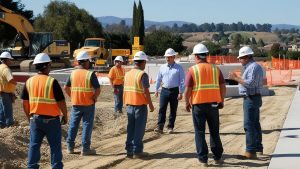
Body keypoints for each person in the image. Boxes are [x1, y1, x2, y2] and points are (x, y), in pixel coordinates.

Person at [21, 53, 68, 169]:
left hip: (35, 119)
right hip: (52, 121)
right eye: (50, 65)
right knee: (55, 147)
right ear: (46, 65)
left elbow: (24, 103)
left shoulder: (29, 82)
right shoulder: (52, 82)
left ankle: (31, 167)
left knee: (34, 145)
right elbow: (61, 102)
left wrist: (29, 117)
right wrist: (65, 115)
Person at [184, 43, 226, 167]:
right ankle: (217, 157)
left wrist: (186, 102)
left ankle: (203, 160)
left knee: (199, 132)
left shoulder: (192, 70)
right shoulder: (216, 69)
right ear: (206, 55)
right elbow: (223, 87)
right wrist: (221, 100)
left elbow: (187, 90)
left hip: (198, 106)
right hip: (213, 105)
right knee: (214, 131)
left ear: (196, 56)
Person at [228, 46, 264, 159]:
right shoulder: (252, 66)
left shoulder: (253, 67)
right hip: (253, 97)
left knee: (249, 125)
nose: (239, 60)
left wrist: (236, 78)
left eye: (241, 58)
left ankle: (250, 151)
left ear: (248, 57)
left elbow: (250, 84)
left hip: (251, 98)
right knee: (255, 124)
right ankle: (258, 148)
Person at [64, 51, 101, 156]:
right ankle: (85, 148)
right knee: (87, 125)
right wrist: (94, 98)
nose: (89, 63)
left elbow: (66, 88)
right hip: (88, 104)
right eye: (88, 61)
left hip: (76, 104)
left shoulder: (73, 73)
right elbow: (98, 89)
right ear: (85, 62)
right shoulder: (90, 74)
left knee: (73, 125)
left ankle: (70, 147)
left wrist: (73, 96)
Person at [123, 51, 154, 159]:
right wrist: (150, 105)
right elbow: (146, 91)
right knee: (139, 129)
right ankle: (137, 151)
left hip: (129, 105)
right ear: (143, 62)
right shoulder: (142, 74)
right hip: (140, 105)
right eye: (145, 62)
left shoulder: (127, 74)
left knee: (130, 128)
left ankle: (129, 150)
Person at [154, 48, 185, 134]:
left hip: (175, 91)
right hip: (164, 90)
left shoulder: (179, 68)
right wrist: (156, 89)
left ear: (173, 57)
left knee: (173, 109)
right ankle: (160, 126)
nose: (167, 59)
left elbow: (182, 80)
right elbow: (158, 79)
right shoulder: (162, 67)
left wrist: (181, 92)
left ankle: (170, 127)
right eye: (166, 57)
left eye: (169, 57)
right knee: (162, 108)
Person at [0, 52, 17, 128]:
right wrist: (15, 83)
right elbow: (10, 80)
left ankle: (2, 124)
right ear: (6, 60)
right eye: (10, 60)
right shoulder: (6, 69)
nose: (11, 61)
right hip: (6, 93)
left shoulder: (0, 67)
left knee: (2, 110)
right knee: (8, 110)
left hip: (1, 92)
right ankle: (10, 124)